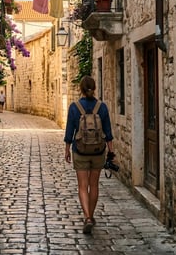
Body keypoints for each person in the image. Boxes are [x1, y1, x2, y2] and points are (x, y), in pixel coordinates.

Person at [64, 75, 115, 234]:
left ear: (80, 88)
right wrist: (111, 152)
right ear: (94, 88)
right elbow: (108, 132)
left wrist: (67, 149)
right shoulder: (102, 107)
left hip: (80, 150)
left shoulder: (74, 107)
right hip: (98, 151)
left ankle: (86, 217)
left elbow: (69, 131)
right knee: (94, 185)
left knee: (82, 186)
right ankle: (91, 216)